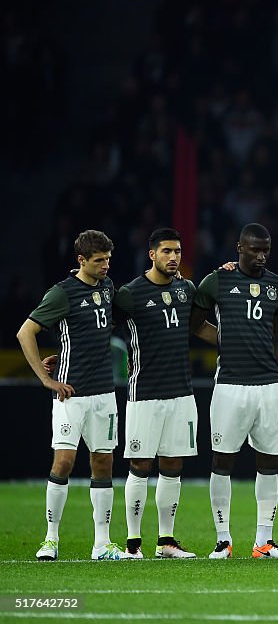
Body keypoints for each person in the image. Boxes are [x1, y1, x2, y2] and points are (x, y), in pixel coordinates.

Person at [190, 223, 278, 559]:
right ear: (239, 248)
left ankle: (263, 541)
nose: (261, 255)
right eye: (254, 249)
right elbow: (194, 323)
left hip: (268, 386)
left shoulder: (277, 286)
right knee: (222, 461)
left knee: (269, 462)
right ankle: (223, 539)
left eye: (266, 249)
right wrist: (223, 340)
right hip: (230, 386)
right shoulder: (217, 281)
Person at [17, 229, 123, 560]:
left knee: (103, 462)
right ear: (81, 261)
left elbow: (95, 331)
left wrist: (64, 350)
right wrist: (45, 379)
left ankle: (102, 544)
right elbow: (26, 332)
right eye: (98, 260)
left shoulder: (107, 288)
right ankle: (50, 539)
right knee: (63, 462)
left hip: (105, 393)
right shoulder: (62, 293)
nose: (105, 265)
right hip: (70, 394)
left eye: (108, 259)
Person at [115, 228, 199, 559]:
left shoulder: (186, 289)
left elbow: (201, 323)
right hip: (145, 393)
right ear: (152, 254)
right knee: (140, 464)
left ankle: (166, 541)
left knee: (173, 464)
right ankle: (133, 544)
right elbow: (100, 327)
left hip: (181, 392)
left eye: (177, 251)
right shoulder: (130, 293)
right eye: (166, 251)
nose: (174, 257)